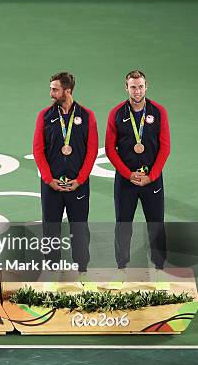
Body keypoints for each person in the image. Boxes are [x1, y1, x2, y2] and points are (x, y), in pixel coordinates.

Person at [105, 70, 170, 290]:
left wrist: (151, 175)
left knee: (156, 225)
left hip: (152, 180)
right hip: (126, 181)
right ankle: (121, 270)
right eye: (133, 87)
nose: (137, 91)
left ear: (146, 86)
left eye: (140, 86)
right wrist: (128, 174)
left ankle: (159, 271)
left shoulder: (158, 112)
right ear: (127, 88)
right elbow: (110, 149)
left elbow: (165, 147)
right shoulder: (116, 113)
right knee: (123, 226)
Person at [32, 72, 98, 289]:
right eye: (51, 89)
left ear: (67, 91)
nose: (51, 93)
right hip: (52, 186)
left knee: (79, 229)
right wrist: (48, 179)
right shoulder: (45, 116)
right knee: (51, 229)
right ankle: (52, 272)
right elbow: (37, 150)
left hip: (77, 185)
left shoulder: (87, 116)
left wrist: (80, 179)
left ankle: (82, 271)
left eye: (55, 89)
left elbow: (91, 151)